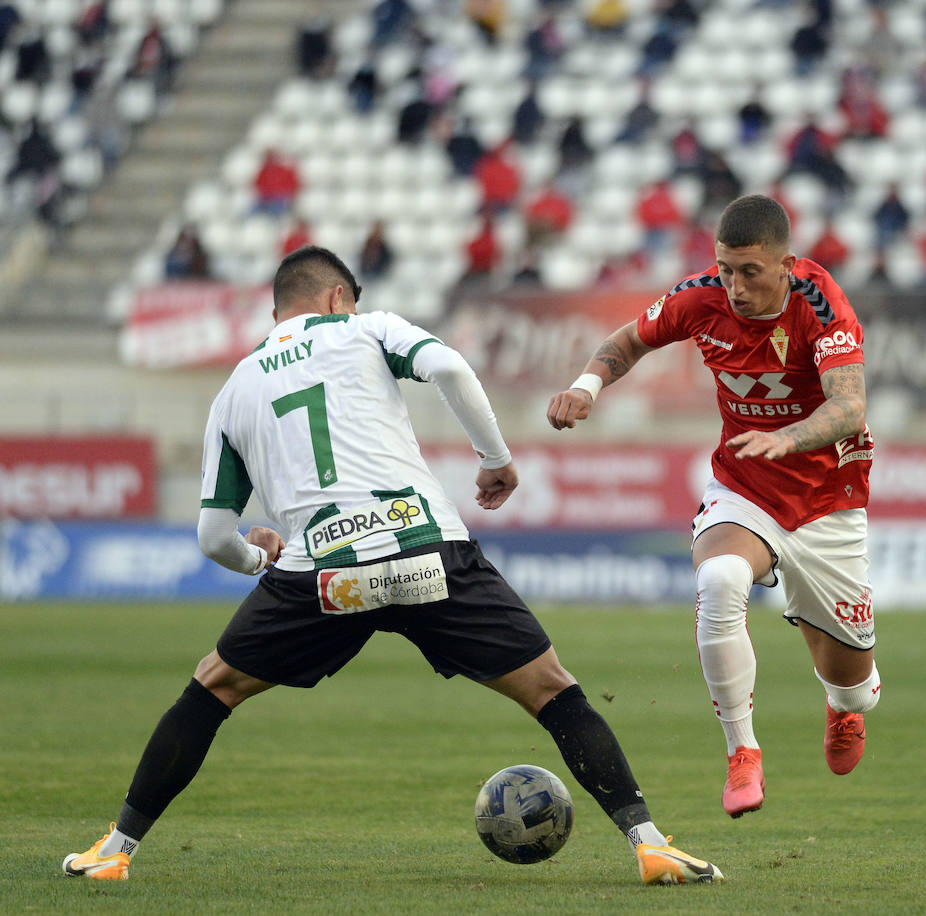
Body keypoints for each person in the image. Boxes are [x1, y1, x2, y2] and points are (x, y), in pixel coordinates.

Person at [60, 246, 722, 887]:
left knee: (211, 689)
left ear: (277, 312)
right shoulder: (366, 329)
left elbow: (212, 536)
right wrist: (495, 459)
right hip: (426, 550)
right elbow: (454, 371)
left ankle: (115, 850)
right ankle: (651, 846)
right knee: (553, 691)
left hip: (324, 575)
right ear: (337, 298)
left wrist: (261, 555)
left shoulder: (235, 390)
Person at [547, 195, 879, 818]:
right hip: (745, 487)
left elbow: (849, 407)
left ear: (785, 265)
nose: (734, 285)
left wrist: (787, 437)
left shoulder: (820, 303)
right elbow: (627, 340)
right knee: (722, 577)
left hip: (828, 500)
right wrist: (585, 386)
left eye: (750, 271)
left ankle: (843, 706)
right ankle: (742, 752)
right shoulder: (700, 297)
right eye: (725, 268)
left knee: (857, 688)